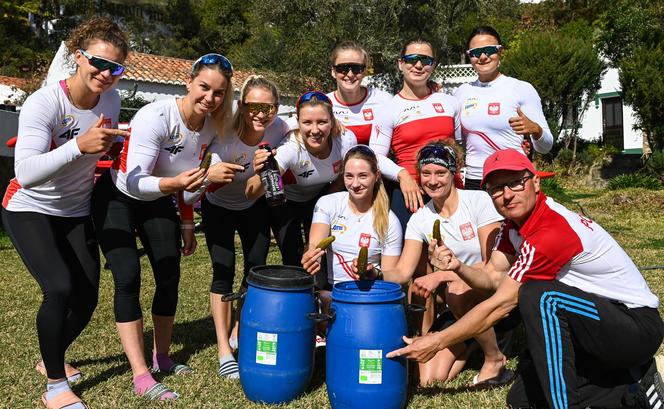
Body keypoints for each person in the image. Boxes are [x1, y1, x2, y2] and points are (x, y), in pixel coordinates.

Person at [388, 148, 664, 409]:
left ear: (535, 183)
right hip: (595, 325)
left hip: (634, 327)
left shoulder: (551, 229)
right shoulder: (514, 227)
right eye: (497, 188)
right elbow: (492, 276)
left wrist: (437, 341)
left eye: (516, 183)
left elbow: (501, 304)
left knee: (539, 296)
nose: (507, 195)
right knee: (521, 397)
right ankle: (633, 386)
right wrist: (458, 266)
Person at [1, 17, 129, 408]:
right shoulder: (45, 102)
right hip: (29, 207)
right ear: (78, 57)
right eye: (98, 63)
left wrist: (105, 148)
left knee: (87, 296)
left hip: (74, 210)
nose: (106, 74)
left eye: (116, 68)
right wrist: (79, 147)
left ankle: (50, 357)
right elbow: (25, 172)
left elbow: (97, 147)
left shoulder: (111, 100)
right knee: (58, 287)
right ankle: (56, 386)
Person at [91, 53, 235, 400]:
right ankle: (141, 375)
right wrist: (193, 182)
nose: (209, 98)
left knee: (169, 275)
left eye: (218, 93)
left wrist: (197, 199)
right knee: (128, 277)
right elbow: (136, 181)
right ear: (189, 81)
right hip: (119, 196)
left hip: (159, 200)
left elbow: (190, 192)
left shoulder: (215, 127)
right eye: (204, 87)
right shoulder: (155, 115)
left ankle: (163, 357)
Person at [370, 141, 506, 386]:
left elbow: (492, 267)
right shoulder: (420, 218)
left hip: (492, 292)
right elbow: (402, 273)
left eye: (441, 173)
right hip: (457, 304)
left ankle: (494, 357)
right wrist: (376, 274)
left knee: (456, 290)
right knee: (429, 378)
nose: (432, 181)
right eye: (426, 173)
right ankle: (470, 342)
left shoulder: (478, 201)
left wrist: (442, 275)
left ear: (454, 172)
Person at [199, 75, 288, 378]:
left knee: (255, 268)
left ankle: (239, 328)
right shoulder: (222, 131)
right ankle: (224, 350)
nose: (261, 114)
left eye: (269, 107)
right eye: (253, 106)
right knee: (223, 271)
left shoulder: (280, 128)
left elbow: (300, 131)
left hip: (253, 205)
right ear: (241, 105)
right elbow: (197, 171)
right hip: (218, 207)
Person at [246, 91, 356, 268]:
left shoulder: (345, 140)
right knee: (294, 259)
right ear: (297, 123)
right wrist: (261, 173)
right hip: (285, 202)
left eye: (322, 122)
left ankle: (322, 293)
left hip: (319, 197)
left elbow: (343, 177)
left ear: (332, 121)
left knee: (320, 254)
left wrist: (325, 202)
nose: (315, 130)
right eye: (307, 122)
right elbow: (251, 193)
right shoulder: (290, 147)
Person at [328, 41, 421, 229]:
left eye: (357, 68)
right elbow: (295, 126)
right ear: (332, 71)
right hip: (338, 185)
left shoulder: (383, 100)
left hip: (379, 185)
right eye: (342, 69)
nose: (350, 74)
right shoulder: (325, 105)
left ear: (365, 70)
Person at [371, 37, 461, 231]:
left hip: (450, 190)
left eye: (426, 60)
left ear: (434, 65)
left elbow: (461, 144)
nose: (418, 65)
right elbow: (375, 156)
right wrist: (403, 176)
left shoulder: (449, 102)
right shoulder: (388, 109)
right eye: (412, 59)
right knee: (410, 257)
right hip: (412, 193)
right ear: (400, 64)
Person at [454, 26, 553, 190]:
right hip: (474, 181)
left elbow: (546, 146)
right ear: (469, 56)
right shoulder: (461, 92)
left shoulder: (521, 89)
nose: (483, 57)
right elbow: (457, 139)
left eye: (489, 50)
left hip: (512, 178)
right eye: (475, 52)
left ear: (501, 52)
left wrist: (535, 130)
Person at [301, 144, 402, 287]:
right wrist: (313, 258)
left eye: (363, 176)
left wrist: (373, 273)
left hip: (369, 292)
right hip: (332, 289)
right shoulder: (328, 203)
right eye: (349, 176)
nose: (355, 184)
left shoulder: (389, 220)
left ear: (376, 176)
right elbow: (315, 244)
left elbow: (390, 277)